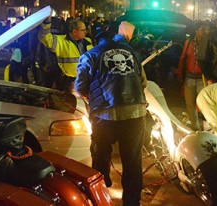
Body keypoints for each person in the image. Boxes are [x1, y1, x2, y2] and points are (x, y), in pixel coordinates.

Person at [75, 21, 147, 206]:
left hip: (104, 115)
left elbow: (80, 87)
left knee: (100, 155)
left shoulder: (89, 55)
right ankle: (132, 202)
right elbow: (143, 82)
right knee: (132, 161)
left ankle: (100, 195)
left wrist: (93, 99)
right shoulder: (134, 54)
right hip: (135, 114)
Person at [39, 17, 93, 92]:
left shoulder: (88, 41)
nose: (85, 32)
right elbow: (44, 38)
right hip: (69, 83)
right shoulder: (61, 41)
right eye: (83, 30)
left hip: (86, 81)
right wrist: (46, 23)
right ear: (74, 31)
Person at [176, 21, 207, 130]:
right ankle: (195, 127)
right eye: (202, 29)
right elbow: (183, 58)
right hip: (189, 77)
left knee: (204, 103)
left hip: (201, 78)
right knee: (190, 103)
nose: (204, 32)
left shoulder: (207, 43)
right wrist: (180, 74)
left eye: (205, 30)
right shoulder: (189, 43)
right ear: (196, 31)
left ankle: (205, 126)